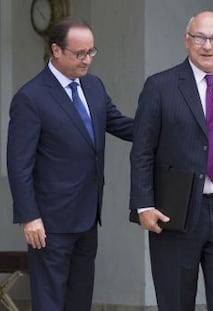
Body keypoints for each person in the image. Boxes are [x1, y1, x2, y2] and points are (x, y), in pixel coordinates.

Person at [7, 16, 133, 311]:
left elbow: (122, 126)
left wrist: (167, 126)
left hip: (88, 215)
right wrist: (29, 217)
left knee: (80, 298)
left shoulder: (94, 87)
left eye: (91, 52)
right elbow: (19, 164)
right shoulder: (31, 97)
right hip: (49, 222)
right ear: (56, 50)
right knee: (50, 300)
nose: (87, 60)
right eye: (80, 53)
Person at [129, 11, 213, 311]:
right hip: (175, 212)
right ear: (186, 41)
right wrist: (143, 205)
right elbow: (142, 150)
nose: (207, 45)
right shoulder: (160, 86)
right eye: (199, 37)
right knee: (176, 301)